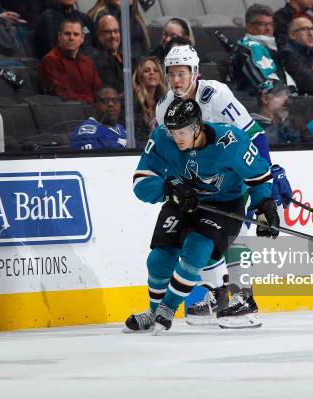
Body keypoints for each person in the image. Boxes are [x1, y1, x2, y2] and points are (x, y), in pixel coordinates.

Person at [155, 45, 293, 328]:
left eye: (182, 73)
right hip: (200, 179)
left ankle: (243, 300)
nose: (177, 80)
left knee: (235, 231)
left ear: (195, 72)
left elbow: (253, 133)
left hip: (232, 174)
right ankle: (217, 294)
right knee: (195, 230)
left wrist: (265, 172)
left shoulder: (215, 96)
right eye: (172, 74)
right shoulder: (164, 107)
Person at [125, 98, 279, 334]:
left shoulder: (232, 141)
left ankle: (166, 310)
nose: (177, 138)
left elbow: (259, 176)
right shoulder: (161, 139)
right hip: (181, 199)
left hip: (224, 204)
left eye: (183, 131)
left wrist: (264, 207)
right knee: (158, 259)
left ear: (197, 126)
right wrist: (169, 187)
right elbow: (140, 182)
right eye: (172, 131)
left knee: (197, 250)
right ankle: (153, 311)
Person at [232, 3, 296, 97]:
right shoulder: (249, 49)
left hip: (286, 97)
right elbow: (267, 87)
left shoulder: (277, 46)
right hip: (263, 103)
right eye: (263, 24)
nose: (269, 28)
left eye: (271, 24)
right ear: (249, 27)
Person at [40, 18, 102, 103]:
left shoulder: (87, 62)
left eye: (76, 34)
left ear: (82, 38)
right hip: (67, 111)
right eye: (67, 34)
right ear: (59, 36)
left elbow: (99, 90)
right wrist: (92, 101)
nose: (71, 38)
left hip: (91, 108)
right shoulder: (50, 60)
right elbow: (63, 94)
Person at [69, 86, 127, 150]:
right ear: (94, 105)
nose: (111, 104)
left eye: (115, 100)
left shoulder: (121, 128)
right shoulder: (86, 134)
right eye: (105, 101)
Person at [132, 56, 166, 147]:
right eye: (146, 71)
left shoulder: (164, 102)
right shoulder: (132, 101)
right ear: (140, 76)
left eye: (156, 70)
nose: (152, 73)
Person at [91, 14, 126, 93]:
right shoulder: (97, 61)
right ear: (99, 35)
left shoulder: (127, 59)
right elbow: (117, 89)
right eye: (108, 32)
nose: (113, 36)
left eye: (116, 31)